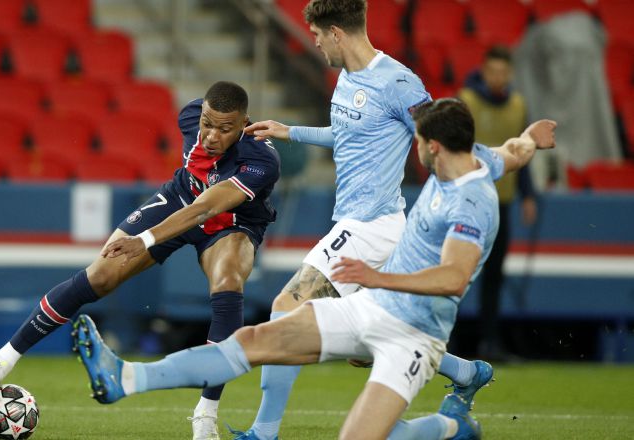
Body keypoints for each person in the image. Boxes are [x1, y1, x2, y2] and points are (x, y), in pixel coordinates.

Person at [71, 98, 557, 440]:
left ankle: (453, 427)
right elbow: (514, 152)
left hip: (414, 335)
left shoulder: (472, 203)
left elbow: (453, 278)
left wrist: (377, 277)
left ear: (430, 147)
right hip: (371, 308)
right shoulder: (475, 161)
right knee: (258, 338)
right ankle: (127, 379)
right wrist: (532, 137)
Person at [0, 81, 281, 440]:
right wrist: (144, 237)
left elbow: (207, 207)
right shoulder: (190, 116)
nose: (211, 135)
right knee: (99, 275)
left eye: (225, 129)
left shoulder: (261, 159)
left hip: (231, 223)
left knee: (227, 281)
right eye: (208, 123)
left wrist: (144, 240)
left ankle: (205, 414)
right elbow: (191, 198)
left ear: (244, 124)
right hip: (179, 199)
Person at [236, 2, 488, 438]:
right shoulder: (346, 79)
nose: (313, 43)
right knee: (370, 340)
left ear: (336, 32)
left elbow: (441, 142)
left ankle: (263, 432)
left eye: (316, 34)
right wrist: (291, 130)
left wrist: (460, 196)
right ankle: (465, 373)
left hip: (371, 225)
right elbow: (350, 135)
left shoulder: (398, 82)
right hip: (359, 224)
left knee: (284, 310)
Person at [458, 45, 536, 360]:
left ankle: (490, 342)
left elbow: (524, 152)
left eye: (504, 71)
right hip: (465, 201)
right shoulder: (468, 101)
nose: (498, 77)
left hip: (501, 203)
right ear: (484, 71)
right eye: (493, 71)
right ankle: (447, 341)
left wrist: (528, 194)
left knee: (494, 276)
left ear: (511, 74)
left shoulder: (518, 105)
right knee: (457, 272)